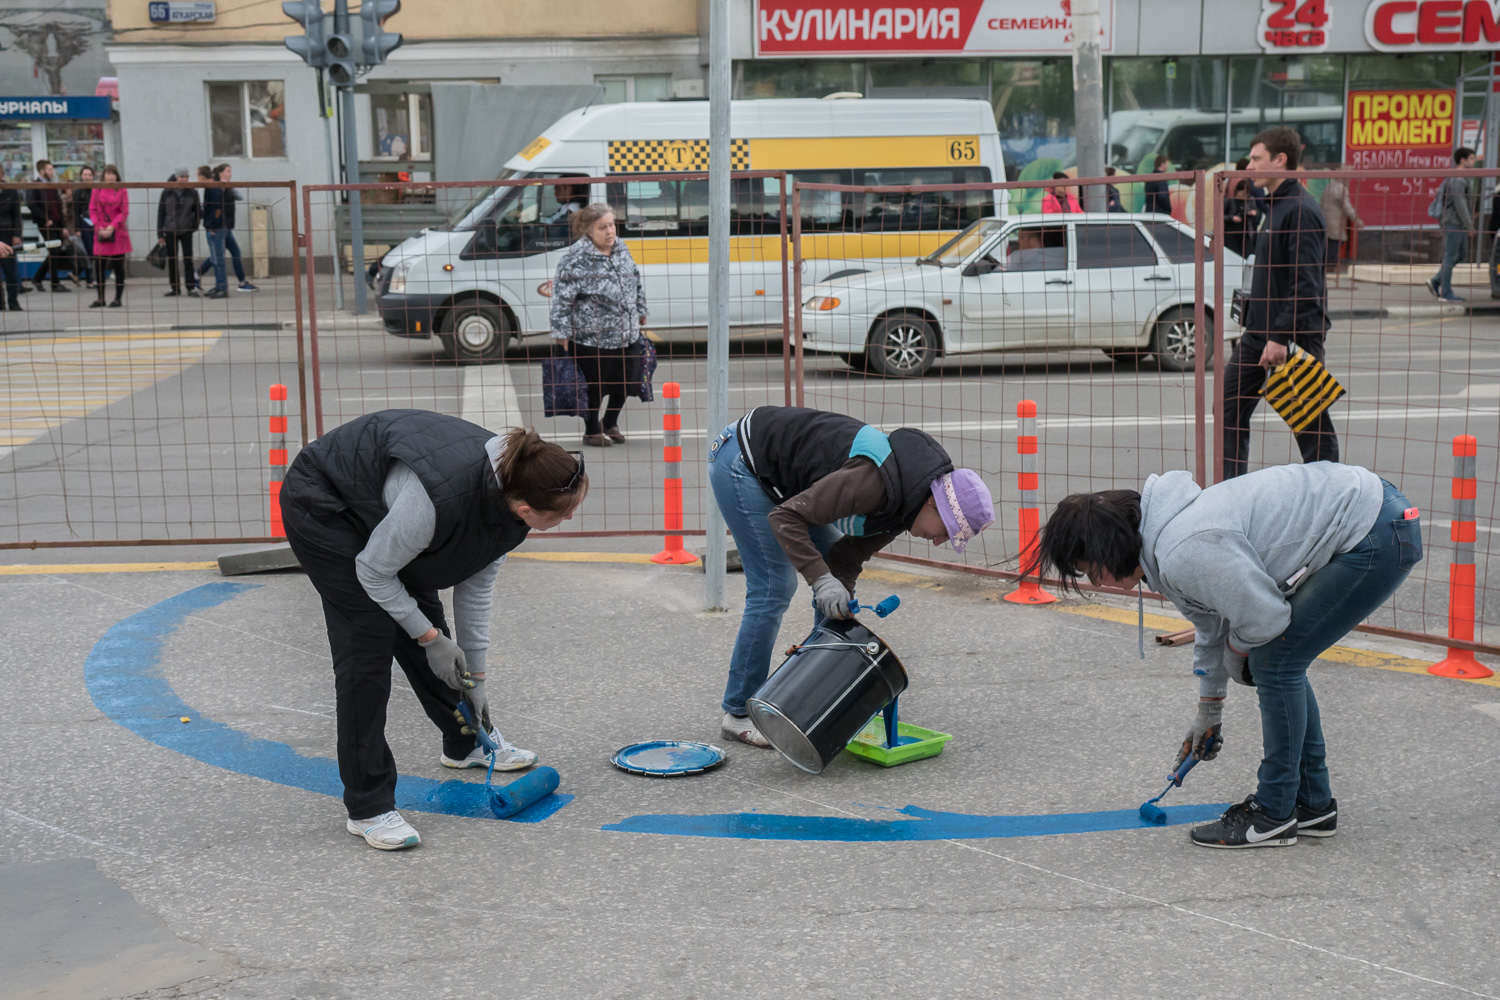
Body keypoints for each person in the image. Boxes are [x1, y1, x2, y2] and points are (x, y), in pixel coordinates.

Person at [1028, 462, 1421, 849]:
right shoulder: (1164, 545)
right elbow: (1212, 625)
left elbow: (1266, 620)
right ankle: (1312, 805)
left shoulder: (1183, 550)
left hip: (1374, 531)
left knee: (1275, 661)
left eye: (1091, 568)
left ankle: (1273, 814)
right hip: (1373, 516)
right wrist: (1208, 712)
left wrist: (1235, 661)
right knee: (1282, 660)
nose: (1097, 581)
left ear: (1108, 544)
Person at [280, 412, 583, 850]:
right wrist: (428, 638)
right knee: (367, 644)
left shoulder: (512, 504)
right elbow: (375, 573)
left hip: (390, 512)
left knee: (426, 625)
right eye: (565, 512)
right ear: (525, 507)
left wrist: (474, 682)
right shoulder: (435, 504)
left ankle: (466, 742)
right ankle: (368, 806)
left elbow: (474, 593)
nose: (571, 517)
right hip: (326, 503)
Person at [708, 405, 995, 747]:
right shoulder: (872, 483)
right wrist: (820, 580)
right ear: (934, 505)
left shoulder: (906, 507)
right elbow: (786, 519)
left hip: (784, 478)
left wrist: (837, 587)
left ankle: (813, 699)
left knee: (831, 586)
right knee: (773, 587)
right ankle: (737, 712)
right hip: (742, 459)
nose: (938, 541)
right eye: (946, 532)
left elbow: (846, 556)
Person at [1223, 126, 1337, 479]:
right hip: (1259, 334)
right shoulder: (1274, 207)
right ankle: (1231, 494)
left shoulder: (1300, 210)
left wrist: (1279, 337)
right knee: (1229, 407)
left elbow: (1307, 287)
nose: (1250, 167)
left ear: (1280, 159)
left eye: (1256, 159)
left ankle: (1333, 498)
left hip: (1292, 338)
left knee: (1312, 431)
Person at [549, 203, 648, 447]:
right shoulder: (575, 259)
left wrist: (641, 309)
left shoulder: (621, 249)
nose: (610, 231)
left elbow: (635, 280)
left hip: (626, 333)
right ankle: (591, 430)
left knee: (627, 382)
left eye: (612, 225)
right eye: (602, 227)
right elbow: (562, 299)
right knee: (594, 387)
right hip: (591, 338)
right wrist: (561, 332)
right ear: (589, 230)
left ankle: (610, 422)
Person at [200, 163, 257, 298]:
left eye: (230, 171)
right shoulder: (215, 187)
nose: (229, 174)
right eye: (227, 171)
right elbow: (215, 209)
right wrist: (213, 226)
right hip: (218, 227)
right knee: (218, 258)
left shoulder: (227, 187)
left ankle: (241, 282)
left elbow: (240, 197)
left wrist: (229, 186)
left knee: (235, 252)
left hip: (226, 227)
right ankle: (220, 286)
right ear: (220, 173)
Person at [1428, 146, 1477, 303]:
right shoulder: (1457, 178)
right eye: (1471, 158)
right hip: (1453, 222)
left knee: (1460, 254)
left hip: (1459, 223)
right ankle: (1446, 292)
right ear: (1462, 160)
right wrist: (1470, 225)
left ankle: (1436, 280)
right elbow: (1460, 203)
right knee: (1451, 256)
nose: (1474, 161)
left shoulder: (1462, 177)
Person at [88, 164, 131, 309]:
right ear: (103, 175)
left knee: (119, 267)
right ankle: (100, 298)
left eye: (113, 174)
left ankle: (117, 299)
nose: (110, 176)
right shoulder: (97, 190)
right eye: (108, 173)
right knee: (99, 267)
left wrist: (112, 226)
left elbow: (124, 211)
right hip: (100, 232)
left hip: (117, 232)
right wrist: (99, 227)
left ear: (117, 176)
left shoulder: (122, 190)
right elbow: (92, 210)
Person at [26, 159, 71, 292]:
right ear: (42, 171)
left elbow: (58, 206)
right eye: (49, 169)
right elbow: (31, 204)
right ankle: (55, 283)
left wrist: (63, 225)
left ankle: (37, 278)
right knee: (54, 251)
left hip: (57, 223)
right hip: (46, 224)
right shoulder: (35, 185)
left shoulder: (52, 185)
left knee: (54, 252)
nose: (52, 172)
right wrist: (45, 219)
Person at [156, 167, 202, 297]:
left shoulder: (192, 193)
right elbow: (161, 213)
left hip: (186, 230)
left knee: (188, 259)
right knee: (172, 260)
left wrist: (194, 227)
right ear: (176, 177)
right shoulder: (167, 192)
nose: (184, 179)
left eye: (186, 176)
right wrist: (160, 233)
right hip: (170, 230)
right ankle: (175, 288)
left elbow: (198, 211)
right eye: (181, 176)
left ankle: (190, 287)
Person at [1319, 168, 1362, 276]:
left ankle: (1326, 264)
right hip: (1336, 221)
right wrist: (1356, 219)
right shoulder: (1341, 188)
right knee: (1336, 242)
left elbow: (1322, 202)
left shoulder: (1330, 186)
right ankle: (1331, 265)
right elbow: (1347, 207)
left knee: (1329, 242)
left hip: (1326, 219)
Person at [68, 165, 96, 288]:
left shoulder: (96, 189)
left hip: (95, 223)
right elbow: (75, 211)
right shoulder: (77, 191)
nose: (87, 177)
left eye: (89, 175)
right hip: (84, 223)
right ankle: (89, 280)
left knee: (93, 252)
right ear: (81, 176)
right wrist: (77, 229)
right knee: (88, 252)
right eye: (85, 175)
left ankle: (76, 273)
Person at [0, 185, 22, 311]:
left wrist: (16, 234)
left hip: (8, 235)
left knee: (10, 271)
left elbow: (17, 214)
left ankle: (13, 302)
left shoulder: (10, 190)